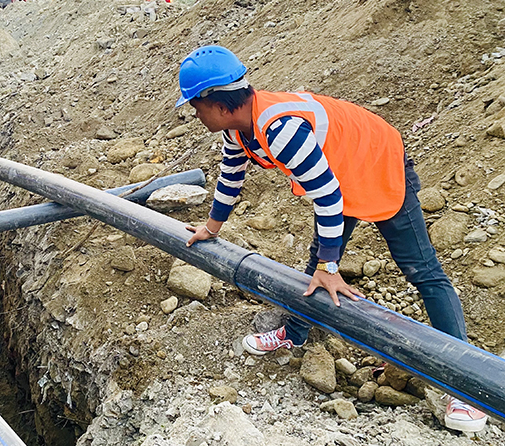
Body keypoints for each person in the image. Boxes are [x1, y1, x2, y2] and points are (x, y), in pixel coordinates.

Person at [179, 45, 487, 434]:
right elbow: (231, 176)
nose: (195, 115)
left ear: (220, 104)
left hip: (378, 164)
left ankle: (468, 386)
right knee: (318, 265)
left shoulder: (281, 130)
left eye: (196, 107)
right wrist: (211, 228)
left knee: (422, 270)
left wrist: (330, 265)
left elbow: (327, 197)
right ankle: (294, 334)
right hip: (341, 173)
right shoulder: (237, 128)